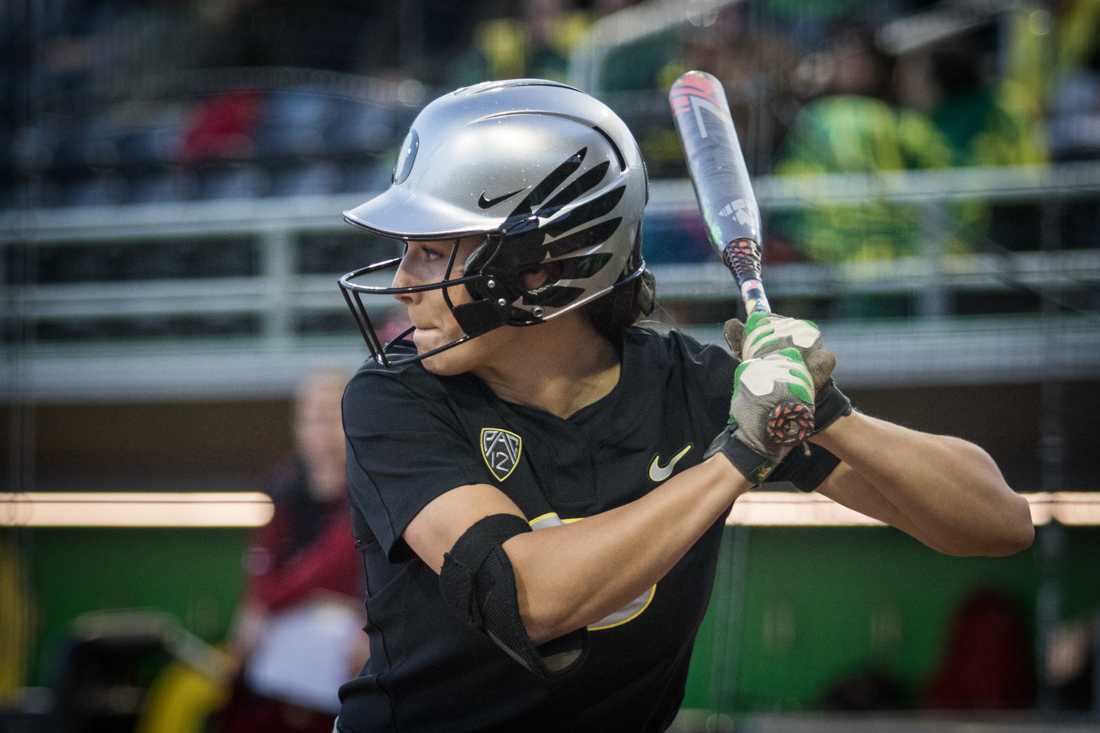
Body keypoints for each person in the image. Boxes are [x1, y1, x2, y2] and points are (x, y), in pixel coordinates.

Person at [334, 79, 1034, 733]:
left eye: (430, 252)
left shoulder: (695, 388)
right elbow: (529, 597)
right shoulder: (395, 397)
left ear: (538, 268)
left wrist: (827, 411)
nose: (401, 282)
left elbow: (997, 521)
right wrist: (741, 456)